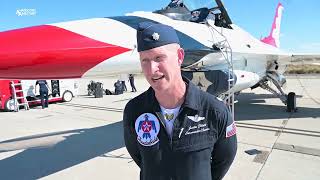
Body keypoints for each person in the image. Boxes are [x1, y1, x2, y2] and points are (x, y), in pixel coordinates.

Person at [123, 22, 237, 180]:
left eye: (159, 58)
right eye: (145, 61)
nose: (151, 70)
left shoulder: (214, 111)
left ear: (180, 57)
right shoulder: (134, 110)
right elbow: (139, 157)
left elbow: (223, 160)